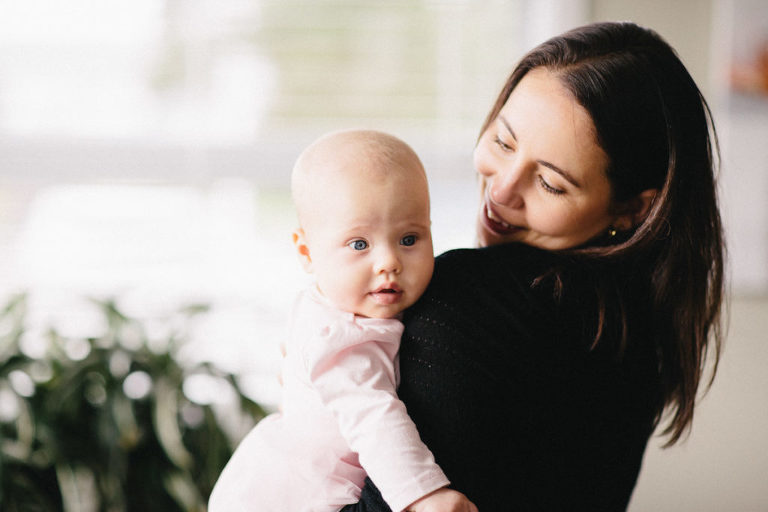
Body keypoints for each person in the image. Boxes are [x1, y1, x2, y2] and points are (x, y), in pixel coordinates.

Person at [341, 21, 725, 512]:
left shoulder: (467, 301)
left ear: (635, 209)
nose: (501, 190)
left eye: (551, 183)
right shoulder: (639, 329)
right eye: (503, 142)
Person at [208, 130, 477, 512]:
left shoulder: (331, 302)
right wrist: (424, 495)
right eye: (359, 244)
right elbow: (373, 418)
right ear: (307, 252)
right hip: (304, 493)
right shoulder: (341, 337)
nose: (389, 262)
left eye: (409, 238)